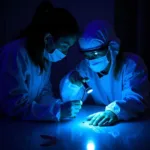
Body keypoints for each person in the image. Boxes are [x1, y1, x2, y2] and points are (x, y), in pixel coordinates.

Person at [60, 20, 150, 126]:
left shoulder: (132, 65)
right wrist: (71, 83)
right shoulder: (84, 68)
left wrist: (114, 112)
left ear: (112, 47)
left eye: (96, 53)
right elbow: (70, 101)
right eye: (87, 55)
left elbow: (136, 98)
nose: (91, 60)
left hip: (136, 126)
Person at [0, 6, 82, 121]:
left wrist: (57, 105)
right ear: (48, 38)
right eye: (64, 45)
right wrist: (56, 111)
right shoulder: (15, 53)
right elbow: (14, 106)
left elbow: (44, 93)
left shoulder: (45, 56)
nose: (65, 53)